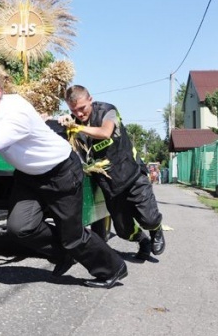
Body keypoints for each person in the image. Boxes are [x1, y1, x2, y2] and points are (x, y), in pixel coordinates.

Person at [0, 64, 128, 288]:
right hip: (28, 176)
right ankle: (63, 254)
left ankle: (113, 268)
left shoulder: (16, 113)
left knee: (73, 236)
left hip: (61, 172)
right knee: (20, 228)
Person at [57, 85, 165, 261]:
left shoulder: (108, 111)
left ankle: (155, 230)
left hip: (132, 175)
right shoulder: (73, 121)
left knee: (149, 219)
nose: (79, 114)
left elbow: (106, 132)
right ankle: (143, 240)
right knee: (124, 231)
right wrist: (62, 121)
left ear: (90, 99)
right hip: (110, 186)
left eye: (82, 108)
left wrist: (78, 128)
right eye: (74, 110)